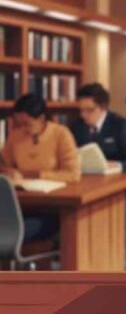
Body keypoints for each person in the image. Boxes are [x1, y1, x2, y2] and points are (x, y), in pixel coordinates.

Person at [0, 94, 80, 242]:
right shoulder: (15, 136)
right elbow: (5, 164)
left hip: (52, 206)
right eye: (19, 123)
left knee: (15, 229)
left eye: (27, 124)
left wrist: (36, 174)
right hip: (21, 203)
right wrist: (8, 172)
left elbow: (73, 174)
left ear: (42, 119)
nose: (22, 128)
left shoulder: (61, 134)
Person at [70, 83, 126, 212]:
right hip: (89, 186)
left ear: (103, 107)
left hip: (122, 189)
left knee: (100, 210)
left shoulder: (121, 125)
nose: (83, 115)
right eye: (81, 110)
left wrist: (116, 165)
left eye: (89, 110)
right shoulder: (77, 126)